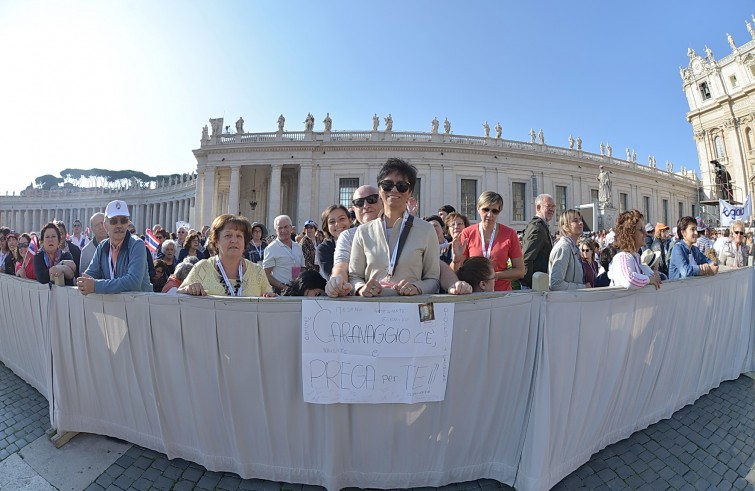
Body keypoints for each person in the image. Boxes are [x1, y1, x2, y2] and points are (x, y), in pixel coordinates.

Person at [349, 158, 440, 297]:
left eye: (402, 186)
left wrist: (417, 287)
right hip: (372, 309)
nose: (394, 190)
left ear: (410, 192)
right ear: (380, 189)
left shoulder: (426, 230)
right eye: (387, 185)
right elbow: (354, 276)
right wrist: (361, 288)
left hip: (409, 309)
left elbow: (433, 279)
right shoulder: (363, 232)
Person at [178, 214, 275, 297]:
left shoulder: (257, 271)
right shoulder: (202, 268)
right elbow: (177, 295)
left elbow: (270, 304)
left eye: (239, 236)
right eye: (228, 235)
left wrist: (270, 297)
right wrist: (188, 289)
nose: (234, 240)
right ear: (216, 241)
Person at [452, 191, 524, 291]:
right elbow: (457, 271)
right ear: (478, 208)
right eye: (485, 210)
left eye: (494, 211)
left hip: (501, 293)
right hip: (473, 292)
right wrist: (456, 258)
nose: (489, 215)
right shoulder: (467, 233)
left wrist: (493, 276)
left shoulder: (510, 234)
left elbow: (520, 271)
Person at [78, 200, 153, 295]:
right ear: (105, 226)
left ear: (128, 223)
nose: (119, 225)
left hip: (139, 306)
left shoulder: (137, 244)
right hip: (115, 306)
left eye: (123, 220)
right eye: (113, 221)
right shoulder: (102, 247)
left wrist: (96, 286)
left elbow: (133, 282)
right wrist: (83, 283)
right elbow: (88, 276)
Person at [607, 210, 662, 289]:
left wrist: (655, 275)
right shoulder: (622, 257)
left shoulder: (636, 257)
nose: (645, 233)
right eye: (641, 229)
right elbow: (629, 280)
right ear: (629, 233)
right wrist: (649, 279)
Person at [263, 215, 305, 294]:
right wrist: (283, 287)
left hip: (297, 289)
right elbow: (266, 274)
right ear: (276, 231)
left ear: (291, 228)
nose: (283, 230)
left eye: (286, 227)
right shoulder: (271, 249)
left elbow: (302, 269)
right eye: (280, 228)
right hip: (280, 291)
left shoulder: (297, 247)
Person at [521, 194, 556, 289]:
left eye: (553, 206)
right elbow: (526, 257)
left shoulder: (542, 226)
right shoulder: (537, 228)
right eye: (548, 206)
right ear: (538, 207)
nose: (552, 209)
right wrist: (529, 284)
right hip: (534, 285)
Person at [548, 209, 589, 290]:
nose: (581, 223)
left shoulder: (572, 247)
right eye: (575, 221)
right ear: (565, 226)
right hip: (567, 301)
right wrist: (583, 287)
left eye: (580, 219)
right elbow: (556, 284)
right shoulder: (563, 247)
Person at [316, 204, 351, 279]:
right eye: (332, 222)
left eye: (342, 219)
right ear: (327, 227)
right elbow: (333, 278)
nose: (337, 224)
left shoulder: (362, 239)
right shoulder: (323, 249)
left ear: (350, 220)